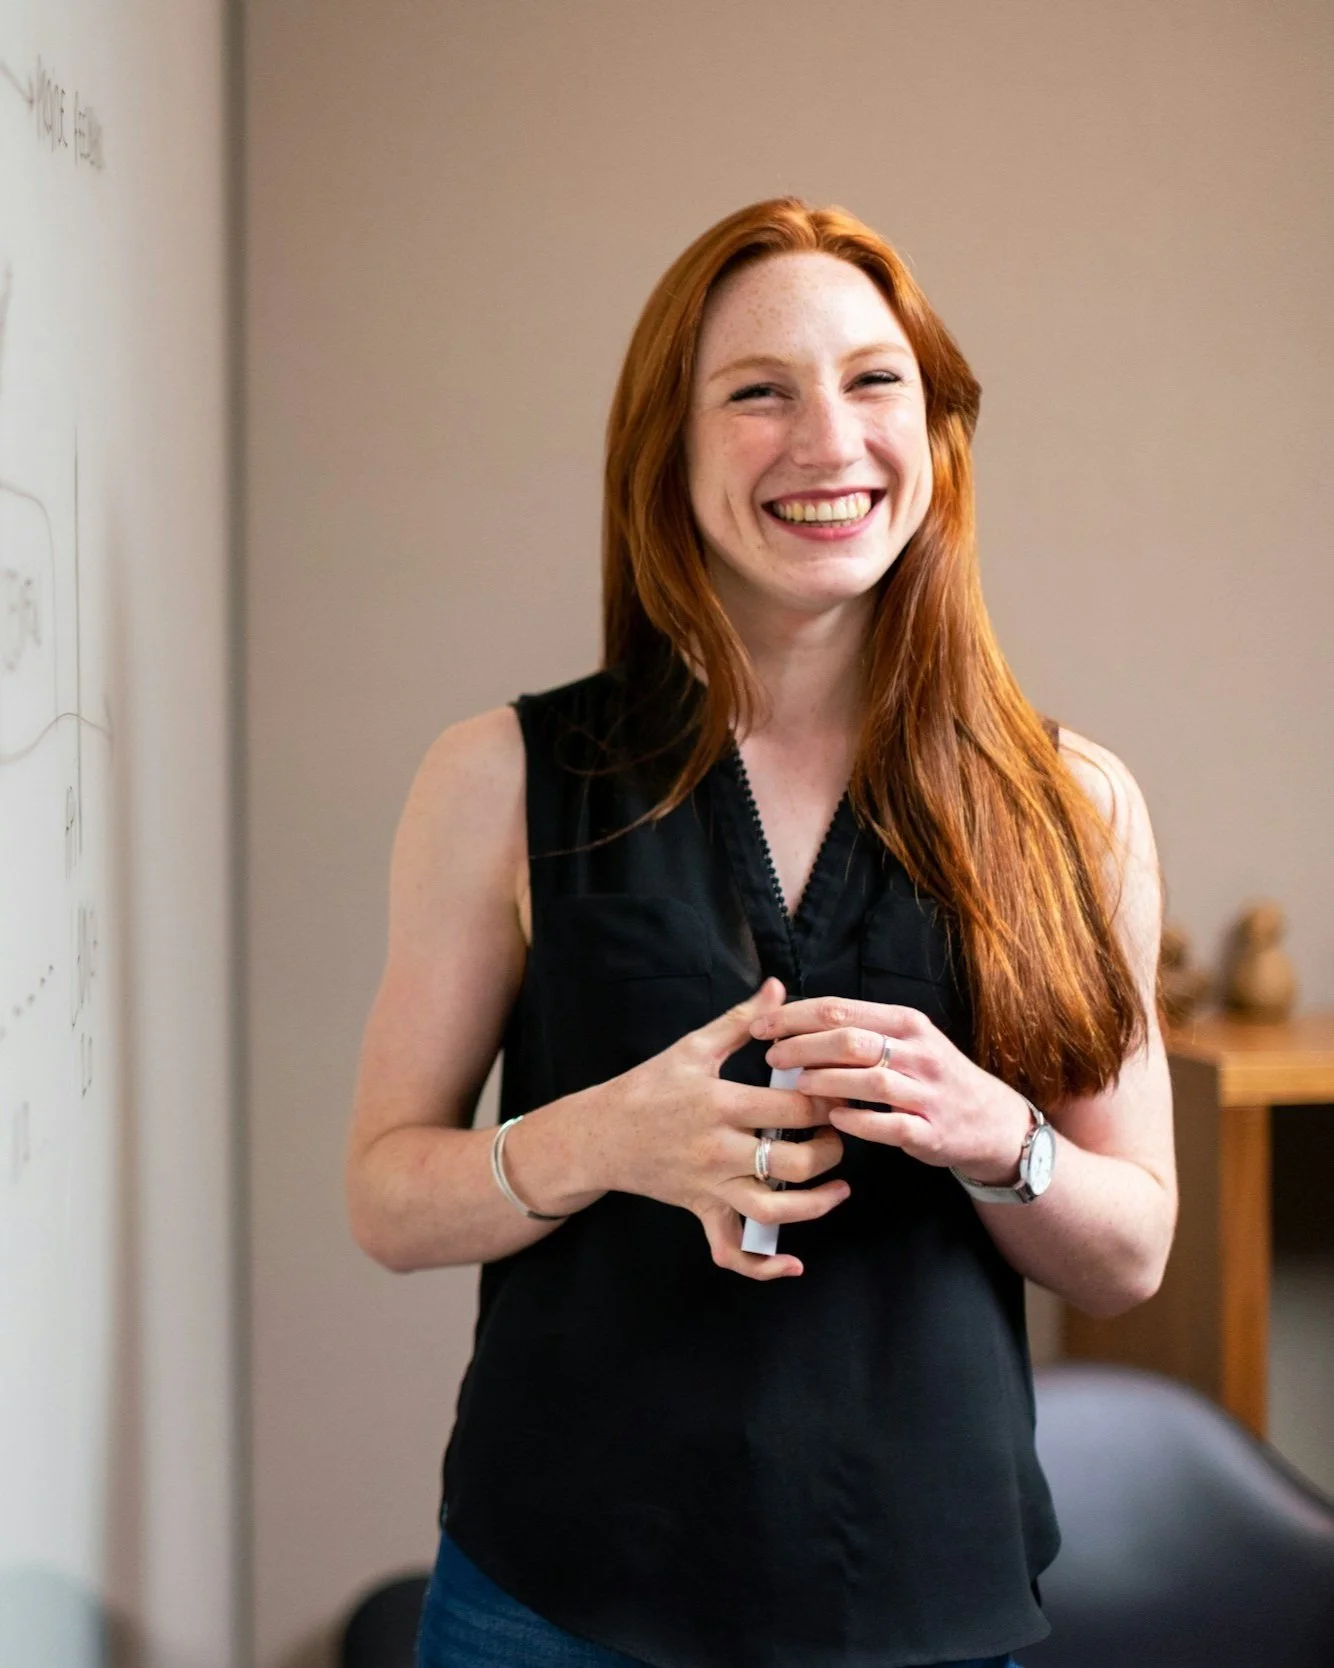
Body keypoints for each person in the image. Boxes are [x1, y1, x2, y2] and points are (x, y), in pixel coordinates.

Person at [345, 197, 1176, 1668]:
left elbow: (1128, 1252)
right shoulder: (499, 778)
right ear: (665, 449)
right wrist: (599, 1140)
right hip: (555, 1604)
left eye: (872, 382)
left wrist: (997, 1136)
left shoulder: (1076, 804)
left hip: (925, 1604)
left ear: (936, 431)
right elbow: (387, 1198)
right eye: (756, 393)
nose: (827, 441)